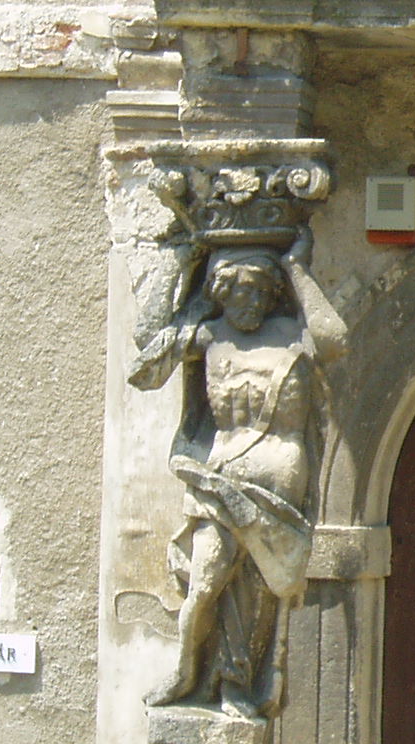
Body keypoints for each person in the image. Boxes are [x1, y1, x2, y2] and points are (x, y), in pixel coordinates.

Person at [130, 233, 349, 715]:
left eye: (259, 292)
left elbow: (335, 339)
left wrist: (297, 269)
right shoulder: (209, 336)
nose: (250, 302)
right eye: (239, 292)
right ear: (220, 293)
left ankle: (235, 684)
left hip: (279, 480)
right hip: (220, 478)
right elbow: (147, 347)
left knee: (257, 595)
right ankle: (186, 673)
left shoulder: (293, 334)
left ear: (272, 294)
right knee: (205, 586)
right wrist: (177, 261)